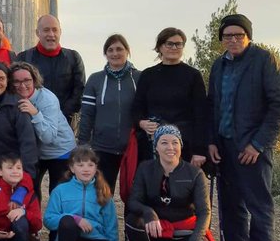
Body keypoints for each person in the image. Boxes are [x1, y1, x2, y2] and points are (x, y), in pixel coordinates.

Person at [208, 13, 280, 241]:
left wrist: (258, 144)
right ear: (222, 39)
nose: (233, 40)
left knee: (259, 208)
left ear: (248, 36)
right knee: (231, 208)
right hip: (225, 147)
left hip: (252, 148)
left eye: (238, 35)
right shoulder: (219, 65)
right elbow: (213, 106)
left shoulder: (265, 61)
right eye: (227, 36)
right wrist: (212, 141)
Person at [125, 125, 220, 241]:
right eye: (164, 142)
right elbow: (133, 201)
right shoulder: (145, 168)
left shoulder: (195, 173)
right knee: (133, 220)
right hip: (156, 235)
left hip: (183, 237)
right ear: (156, 146)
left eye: (175, 142)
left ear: (181, 146)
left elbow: (204, 212)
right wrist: (149, 212)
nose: (170, 147)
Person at [10, 60, 76, 241]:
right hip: (35, 153)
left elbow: (48, 136)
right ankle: (33, 234)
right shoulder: (12, 97)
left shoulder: (47, 98)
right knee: (31, 193)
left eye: (27, 80)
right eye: (16, 81)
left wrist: (34, 113)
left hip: (60, 151)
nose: (22, 85)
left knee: (57, 196)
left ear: (35, 80)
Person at [43, 145, 125, 241]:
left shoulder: (103, 191)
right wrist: (76, 219)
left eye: (90, 165)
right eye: (80, 165)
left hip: (95, 238)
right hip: (70, 238)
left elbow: (111, 224)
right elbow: (48, 219)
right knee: (67, 221)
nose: (86, 169)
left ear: (96, 168)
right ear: (72, 168)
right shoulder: (60, 190)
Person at [132, 28, 208, 167]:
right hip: (152, 144)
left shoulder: (193, 75)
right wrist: (142, 123)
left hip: (184, 145)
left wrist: (199, 150)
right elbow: (137, 108)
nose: (174, 47)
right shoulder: (148, 75)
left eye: (178, 44)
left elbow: (201, 115)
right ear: (160, 47)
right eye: (169, 44)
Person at [77, 34, 139, 190]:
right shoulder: (95, 79)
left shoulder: (139, 78)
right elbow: (87, 115)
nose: (115, 53)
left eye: (119, 49)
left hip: (133, 147)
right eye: (110, 50)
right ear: (105, 53)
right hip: (103, 147)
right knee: (102, 192)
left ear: (127, 51)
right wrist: (83, 143)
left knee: (133, 192)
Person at [16, 14, 85, 123]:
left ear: (60, 32)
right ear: (37, 33)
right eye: (46, 30)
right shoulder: (23, 58)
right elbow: (16, 89)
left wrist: (60, 115)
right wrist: (36, 113)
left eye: (55, 30)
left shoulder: (73, 57)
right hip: (32, 120)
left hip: (64, 121)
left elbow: (79, 90)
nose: (51, 34)